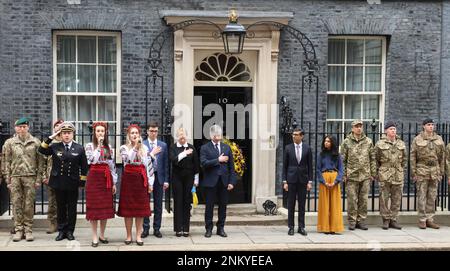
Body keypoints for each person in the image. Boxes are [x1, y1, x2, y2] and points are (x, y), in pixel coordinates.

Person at [38, 121, 88, 241]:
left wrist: (82, 183)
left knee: (71, 208)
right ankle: (61, 231)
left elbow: (84, 167)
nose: (66, 135)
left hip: (72, 182)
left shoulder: (79, 148)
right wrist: (52, 137)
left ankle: (70, 231)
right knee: (60, 208)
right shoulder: (55, 146)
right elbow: (41, 149)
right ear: (61, 134)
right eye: (64, 133)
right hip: (58, 182)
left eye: (69, 133)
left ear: (73, 134)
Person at [3, 117, 45, 242]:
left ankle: (28, 230)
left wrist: (38, 179)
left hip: (30, 177)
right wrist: (7, 179)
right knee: (16, 204)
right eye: (19, 127)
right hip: (15, 177)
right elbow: (6, 161)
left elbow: (41, 162)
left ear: (28, 127)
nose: (22, 129)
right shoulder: (9, 143)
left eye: (24, 127)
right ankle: (18, 230)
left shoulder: (35, 142)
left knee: (28, 205)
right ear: (15, 128)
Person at [118, 124, 154, 246]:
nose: (134, 135)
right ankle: (129, 235)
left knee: (140, 210)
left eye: (136, 133)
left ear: (139, 135)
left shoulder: (145, 149)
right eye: (132, 133)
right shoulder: (123, 148)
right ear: (128, 135)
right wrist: (136, 148)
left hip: (140, 180)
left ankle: (138, 235)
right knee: (128, 211)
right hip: (128, 180)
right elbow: (128, 160)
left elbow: (148, 166)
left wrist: (150, 183)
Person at [200, 125, 236, 238]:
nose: (218, 136)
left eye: (219, 134)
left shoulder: (226, 148)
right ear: (211, 135)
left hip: (224, 182)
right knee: (209, 206)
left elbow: (231, 167)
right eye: (216, 134)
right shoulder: (205, 148)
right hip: (210, 182)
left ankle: (221, 228)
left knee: (223, 206)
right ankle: (209, 228)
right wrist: (218, 160)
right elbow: (203, 163)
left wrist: (231, 182)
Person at [85, 122, 118, 247]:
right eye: (98, 131)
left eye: (102, 131)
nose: (100, 133)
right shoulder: (89, 146)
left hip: (106, 178)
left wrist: (114, 182)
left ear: (105, 133)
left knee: (104, 208)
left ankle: (102, 234)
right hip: (94, 177)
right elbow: (91, 160)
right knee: (94, 208)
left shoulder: (109, 147)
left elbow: (112, 165)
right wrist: (98, 147)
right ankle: (94, 236)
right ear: (94, 132)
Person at [340, 119, 376, 231]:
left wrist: (373, 173)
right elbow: (342, 159)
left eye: (360, 126)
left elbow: (372, 158)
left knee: (363, 200)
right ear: (352, 128)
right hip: (351, 175)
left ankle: (361, 221)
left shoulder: (368, 141)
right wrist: (344, 174)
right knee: (352, 199)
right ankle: (352, 221)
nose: (359, 128)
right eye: (356, 126)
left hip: (365, 175)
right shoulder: (346, 142)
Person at [410, 118, 444, 229]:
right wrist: (414, 172)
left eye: (432, 125)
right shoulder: (417, 139)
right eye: (428, 124)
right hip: (422, 170)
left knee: (432, 196)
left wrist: (441, 172)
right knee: (422, 196)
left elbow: (442, 157)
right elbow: (413, 157)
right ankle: (422, 219)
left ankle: (430, 219)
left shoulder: (439, 139)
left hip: (434, 170)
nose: (431, 126)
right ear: (423, 126)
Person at [375, 121, 407, 230]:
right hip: (385, 174)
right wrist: (379, 171)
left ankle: (393, 219)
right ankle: (385, 220)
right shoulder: (380, 144)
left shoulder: (401, 143)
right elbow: (376, 159)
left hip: (398, 174)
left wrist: (401, 169)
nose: (393, 130)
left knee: (397, 198)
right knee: (384, 198)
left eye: (394, 129)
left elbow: (405, 159)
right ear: (386, 131)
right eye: (391, 129)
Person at [282, 127, 313, 236]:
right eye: (293, 134)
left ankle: (301, 227)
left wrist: (310, 181)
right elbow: (284, 166)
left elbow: (310, 166)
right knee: (291, 205)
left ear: (302, 136)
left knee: (302, 205)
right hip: (291, 180)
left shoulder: (307, 148)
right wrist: (285, 181)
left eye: (296, 134)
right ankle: (291, 227)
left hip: (303, 180)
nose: (294, 136)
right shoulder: (288, 148)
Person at [170, 127, 199, 237]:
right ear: (177, 136)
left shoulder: (192, 147)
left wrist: (196, 180)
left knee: (187, 202)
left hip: (189, 178)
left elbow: (196, 165)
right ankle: (178, 228)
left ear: (186, 135)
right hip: (177, 178)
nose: (182, 136)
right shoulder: (173, 147)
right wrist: (184, 153)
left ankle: (186, 228)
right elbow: (173, 160)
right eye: (180, 134)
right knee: (178, 202)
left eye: (183, 134)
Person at [142, 121, 169, 239]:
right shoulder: (142, 145)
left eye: (156, 131)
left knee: (158, 204)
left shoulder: (163, 145)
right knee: (145, 203)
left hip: (159, 177)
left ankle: (157, 228)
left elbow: (166, 164)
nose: (154, 133)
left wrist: (166, 180)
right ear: (147, 131)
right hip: (147, 177)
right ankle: (145, 228)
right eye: (151, 131)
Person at [316, 135, 344, 234]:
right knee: (324, 204)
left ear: (332, 143)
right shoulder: (321, 155)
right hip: (325, 179)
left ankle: (334, 227)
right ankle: (325, 227)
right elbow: (318, 169)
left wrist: (336, 181)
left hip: (334, 179)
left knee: (334, 205)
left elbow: (341, 169)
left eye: (328, 141)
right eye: (325, 141)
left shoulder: (337, 155)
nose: (326, 143)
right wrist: (324, 181)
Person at [42, 119, 64, 234]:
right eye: (57, 126)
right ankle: (52, 223)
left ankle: (63, 224)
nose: (59, 128)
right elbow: (42, 161)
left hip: (65, 178)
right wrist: (44, 176)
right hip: (51, 177)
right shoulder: (49, 143)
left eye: (61, 126)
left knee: (64, 202)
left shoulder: (68, 140)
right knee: (52, 202)